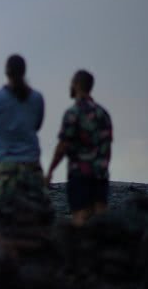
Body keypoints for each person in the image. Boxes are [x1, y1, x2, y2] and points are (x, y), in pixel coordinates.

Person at [0, 54, 50, 222]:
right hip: (31, 166)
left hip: (6, 167)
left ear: (6, 72)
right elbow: (37, 125)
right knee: (39, 217)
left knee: (0, 217)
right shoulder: (37, 98)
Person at [45, 69, 113, 226]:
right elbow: (108, 146)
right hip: (100, 176)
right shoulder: (103, 114)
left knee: (80, 218)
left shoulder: (73, 113)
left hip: (80, 176)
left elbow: (63, 145)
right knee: (101, 217)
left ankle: (82, 249)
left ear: (76, 85)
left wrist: (50, 171)